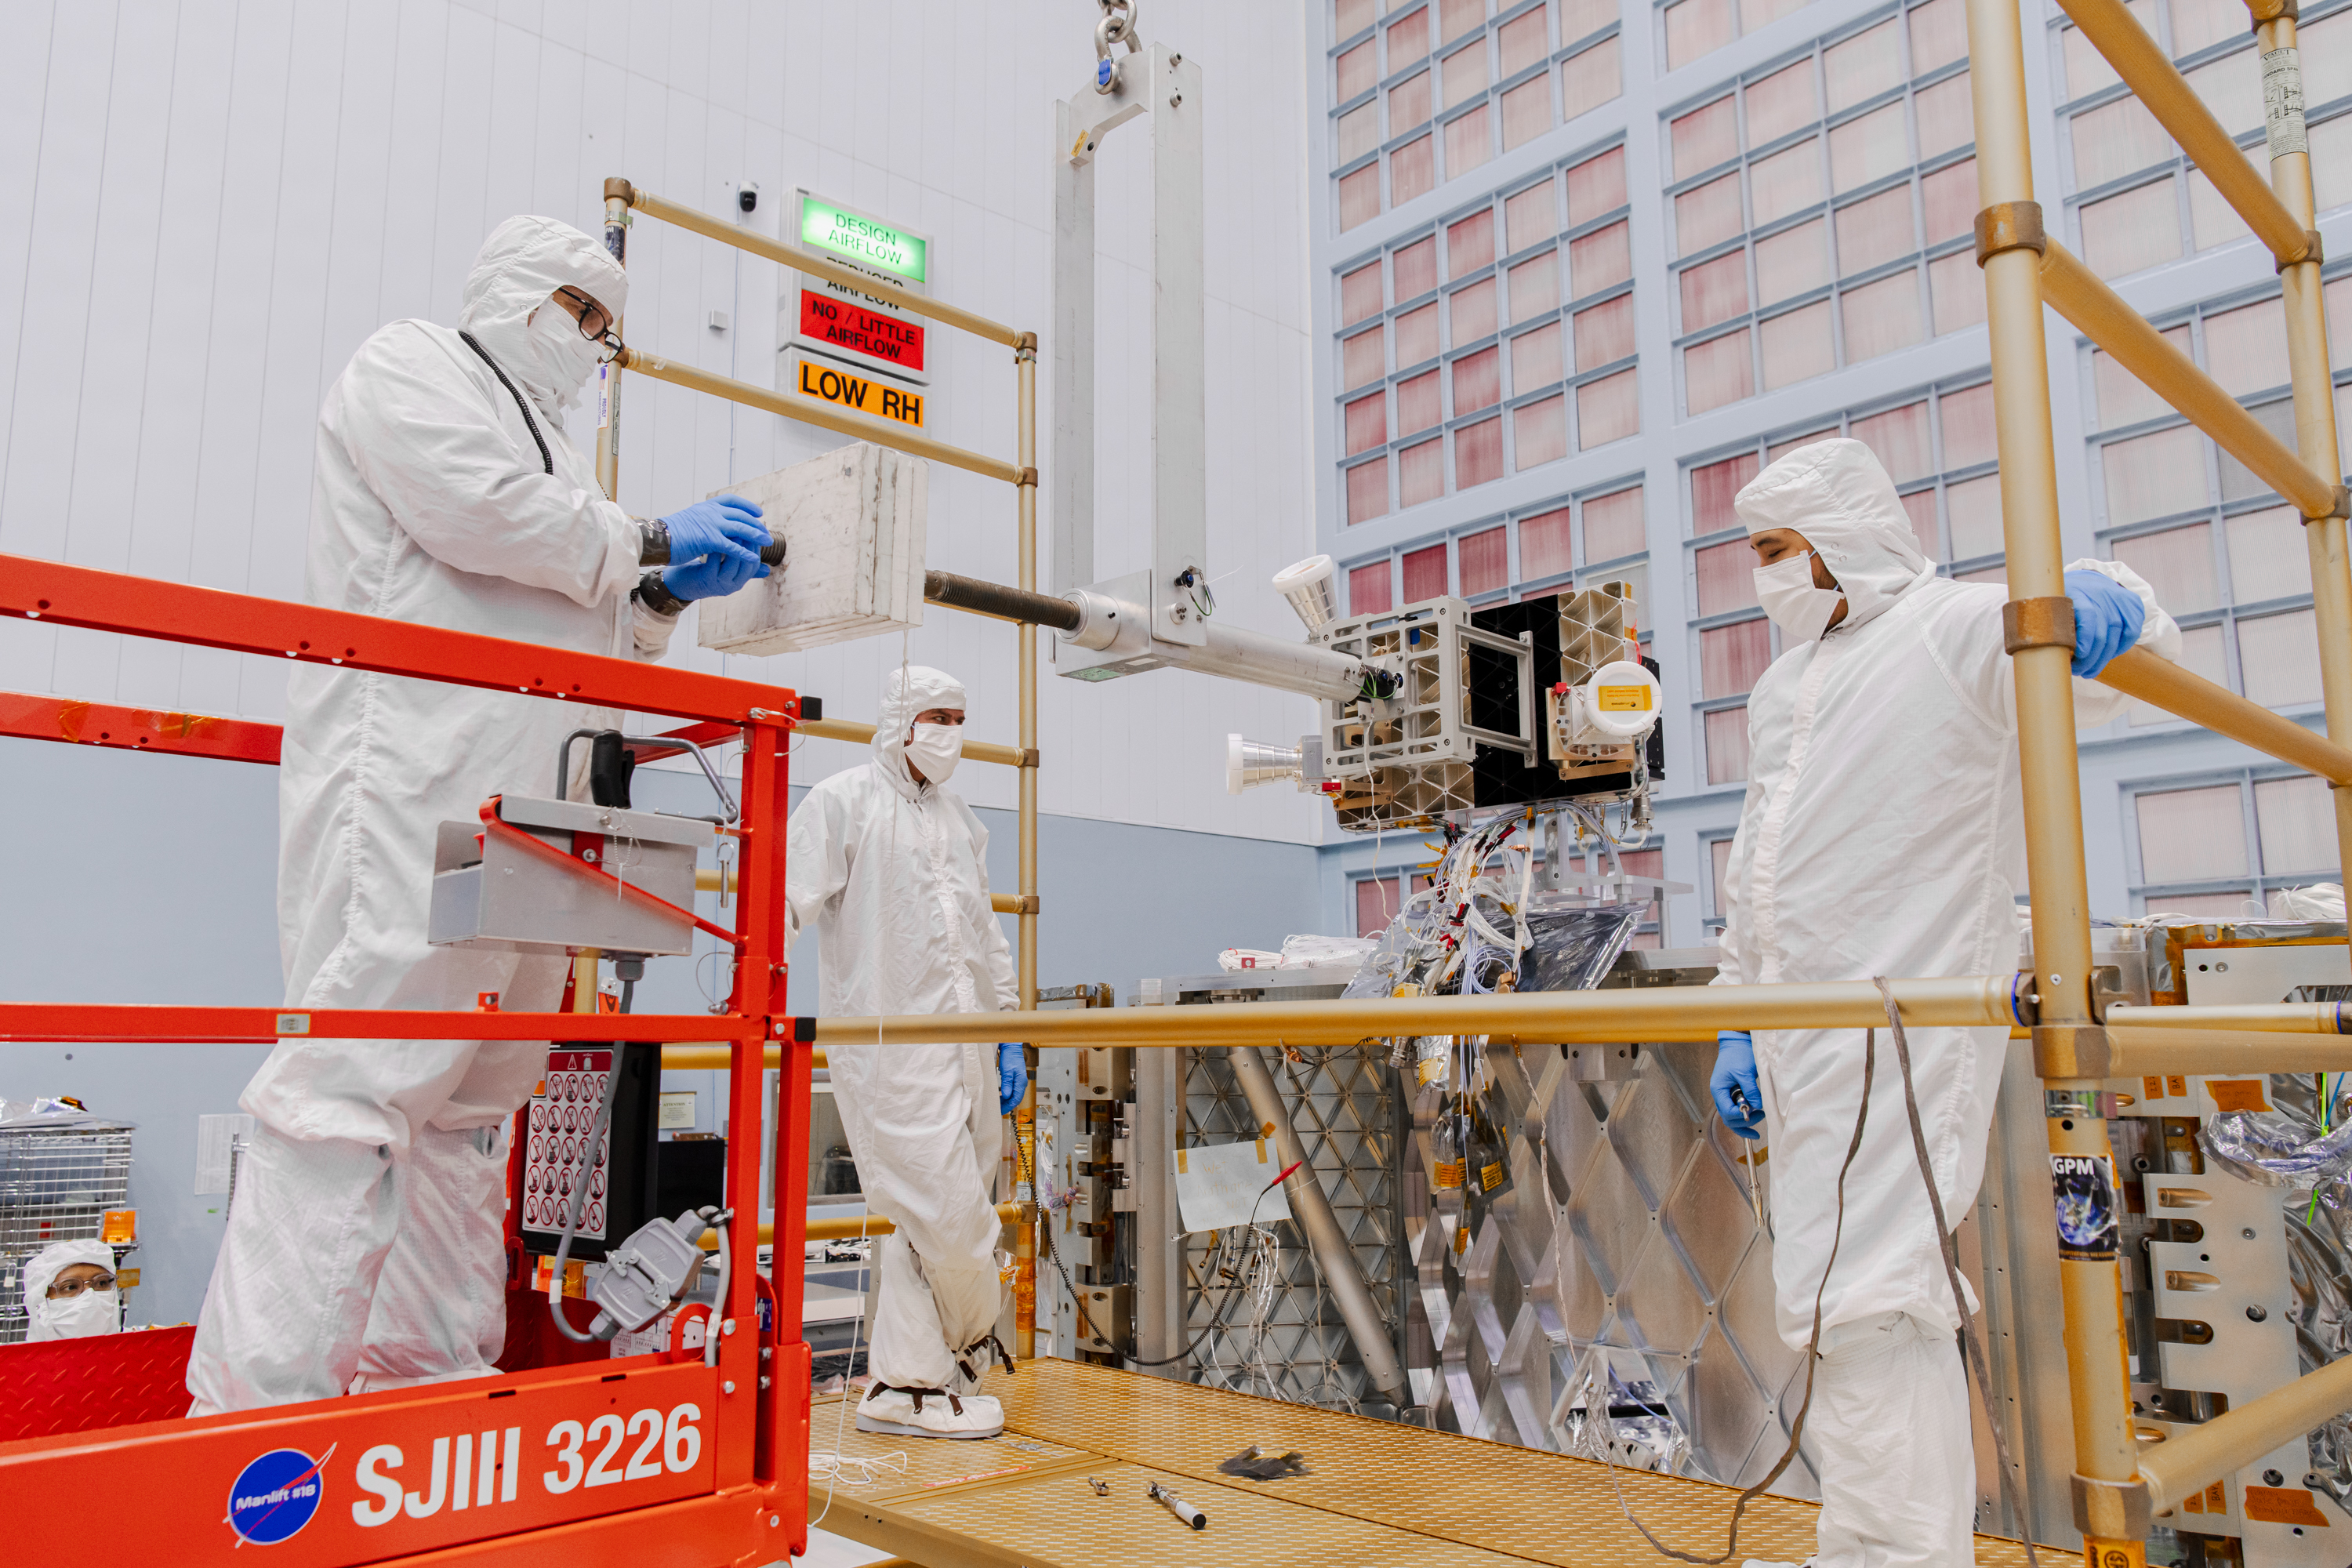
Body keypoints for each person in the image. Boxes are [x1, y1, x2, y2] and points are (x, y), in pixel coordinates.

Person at [187, 215, 775, 1414]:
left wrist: (655, 588)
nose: (598, 346)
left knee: (466, 1109)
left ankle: (431, 1382)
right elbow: (475, 513)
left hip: (529, 813)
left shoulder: (561, 456)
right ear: (519, 294)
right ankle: (255, 1422)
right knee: (350, 1092)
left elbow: (576, 600)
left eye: (611, 329)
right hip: (410, 790)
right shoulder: (413, 366)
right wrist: (647, 537)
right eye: (585, 315)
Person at [1704, 439, 2178, 1566]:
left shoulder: (1950, 629)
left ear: (1842, 540)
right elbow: (1760, 869)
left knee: (1878, 1298)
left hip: (1900, 1025)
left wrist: (2108, 603)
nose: (1764, 574)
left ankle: (1901, 1558)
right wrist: (1739, 1015)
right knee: (1828, 1299)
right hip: (1801, 1034)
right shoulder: (1787, 685)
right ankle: (1868, 1549)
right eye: (1756, 553)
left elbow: (2140, 637)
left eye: (1780, 550)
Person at [784, 665, 1024, 1439]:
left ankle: (909, 1384)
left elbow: (984, 930)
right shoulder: (842, 802)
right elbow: (784, 899)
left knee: (949, 1215)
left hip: (972, 1041)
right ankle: (951, 1352)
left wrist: (1009, 1023)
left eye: (958, 714)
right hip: (892, 1047)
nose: (948, 729)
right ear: (898, 718)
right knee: (951, 1220)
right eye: (934, 714)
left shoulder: (961, 818)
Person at [24, 1240, 122, 1341]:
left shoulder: (135, 1351)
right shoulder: (20, 1357)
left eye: (102, 1283)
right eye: (70, 1287)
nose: (90, 1295)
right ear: (39, 1299)